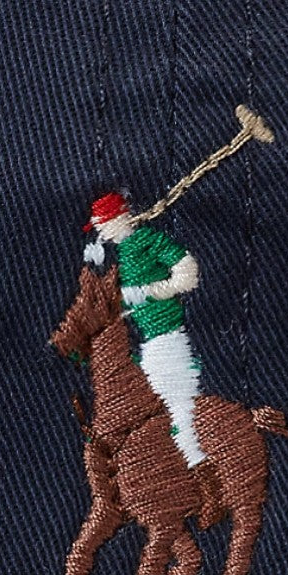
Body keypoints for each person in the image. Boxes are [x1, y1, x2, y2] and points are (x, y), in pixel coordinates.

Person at [82, 191, 223, 522]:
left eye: (102, 224)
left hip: (167, 339)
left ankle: (210, 486)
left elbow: (187, 273)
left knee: (177, 411)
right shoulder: (122, 252)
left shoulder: (145, 240)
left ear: (118, 219)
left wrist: (151, 293)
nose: (101, 231)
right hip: (147, 344)